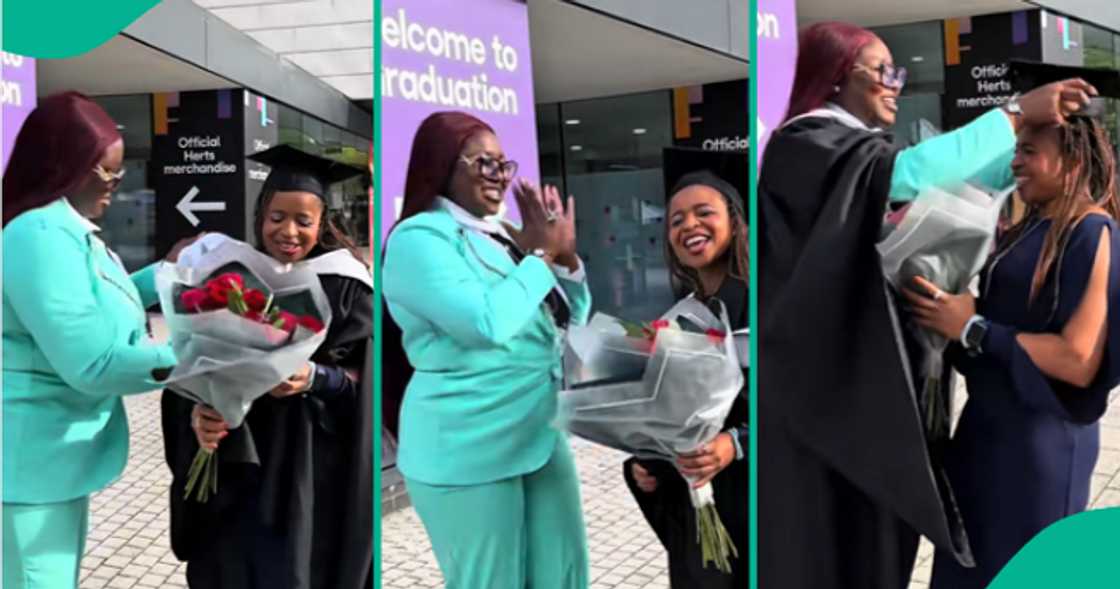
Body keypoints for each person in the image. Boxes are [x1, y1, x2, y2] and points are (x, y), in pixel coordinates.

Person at [757, 21, 1099, 589]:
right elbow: (909, 177)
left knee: (870, 549)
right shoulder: (805, 142)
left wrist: (1015, 146)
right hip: (821, 404)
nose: (895, 84)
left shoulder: (1090, 233)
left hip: (857, 395)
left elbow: (937, 188)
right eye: (883, 71)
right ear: (838, 75)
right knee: (827, 550)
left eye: (900, 73)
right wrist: (1015, 115)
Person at [906, 115, 1120, 589]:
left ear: (1073, 160)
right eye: (1015, 150)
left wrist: (972, 328)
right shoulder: (1029, 226)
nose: (1016, 162)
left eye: (1029, 151)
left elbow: (1078, 359)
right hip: (985, 432)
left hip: (1039, 444)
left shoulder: (1092, 232)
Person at [382, 111, 591, 588]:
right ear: (443, 166)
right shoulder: (419, 239)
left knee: (563, 575)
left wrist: (568, 258)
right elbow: (485, 323)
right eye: (485, 165)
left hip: (537, 430)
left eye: (504, 165)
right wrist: (540, 256)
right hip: (466, 443)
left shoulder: (502, 234)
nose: (499, 178)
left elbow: (567, 314)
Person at [2, 91, 192, 589]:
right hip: (29, 463)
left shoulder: (64, 228)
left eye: (120, 170)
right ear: (66, 168)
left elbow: (105, 296)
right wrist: (202, 354)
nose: (117, 184)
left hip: (51, 461)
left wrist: (170, 269)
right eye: (107, 173)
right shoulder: (37, 234)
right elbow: (94, 364)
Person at [161, 145, 374, 589]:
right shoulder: (231, 277)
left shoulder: (347, 287)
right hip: (239, 466)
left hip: (310, 473)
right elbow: (191, 367)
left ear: (323, 224)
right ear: (261, 215)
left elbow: (368, 385)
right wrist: (200, 414)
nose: (288, 231)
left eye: (304, 220)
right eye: (277, 217)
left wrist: (316, 378)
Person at [622, 170, 749, 587]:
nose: (689, 226)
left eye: (703, 213)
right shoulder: (678, 319)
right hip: (703, 500)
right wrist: (650, 463)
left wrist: (736, 443)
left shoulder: (772, 303)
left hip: (767, 499)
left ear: (733, 220)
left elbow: (808, 402)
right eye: (676, 221)